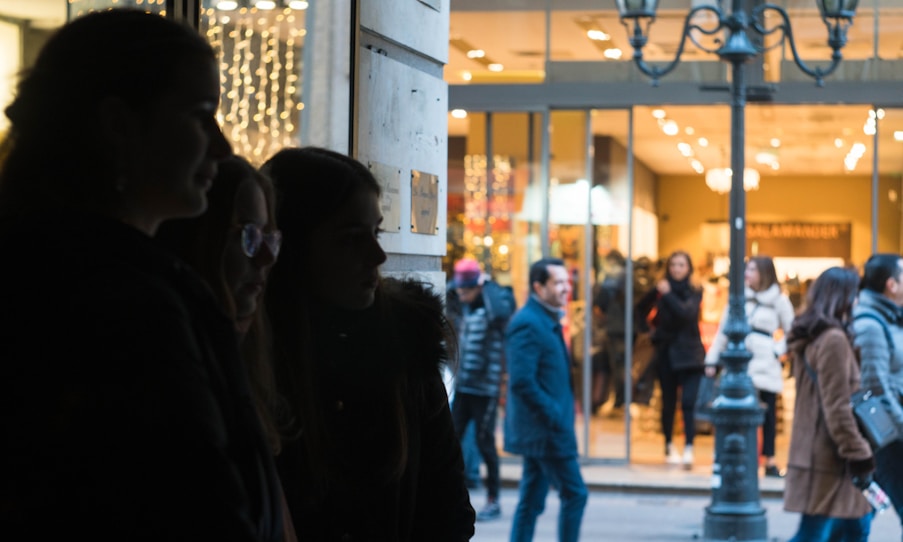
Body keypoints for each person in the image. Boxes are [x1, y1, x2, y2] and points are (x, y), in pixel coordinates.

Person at [0, 9, 283, 542]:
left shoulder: (89, 276)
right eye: (201, 115)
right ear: (119, 125)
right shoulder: (122, 304)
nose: (221, 148)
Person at [260, 147, 475, 541]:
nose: (376, 255)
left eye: (375, 232)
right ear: (292, 247)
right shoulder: (253, 358)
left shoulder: (408, 345)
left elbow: (447, 510)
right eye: (349, 238)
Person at [784, 267, 875, 541]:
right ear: (844, 297)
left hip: (820, 450)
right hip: (830, 455)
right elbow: (837, 405)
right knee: (819, 533)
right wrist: (858, 452)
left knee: (851, 527)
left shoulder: (816, 336)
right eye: (855, 294)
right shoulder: (833, 340)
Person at [504, 257, 588, 542]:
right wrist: (553, 414)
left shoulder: (546, 318)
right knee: (575, 494)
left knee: (531, 500)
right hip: (547, 430)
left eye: (567, 281)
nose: (566, 288)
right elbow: (522, 381)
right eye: (559, 282)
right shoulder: (528, 323)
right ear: (539, 288)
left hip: (546, 428)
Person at [705, 256, 795, 477]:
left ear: (764, 272)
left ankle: (770, 460)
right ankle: (742, 457)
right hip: (739, 361)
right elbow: (723, 332)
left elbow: (793, 331)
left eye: (753, 269)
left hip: (766, 363)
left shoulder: (779, 300)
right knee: (737, 412)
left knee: (768, 414)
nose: (747, 273)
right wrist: (712, 359)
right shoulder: (738, 298)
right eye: (747, 268)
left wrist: (777, 350)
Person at [445, 256, 516, 522]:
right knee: (451, 438)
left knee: (486, 444)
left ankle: (493, 500)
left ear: (478, 285)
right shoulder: (464, 307)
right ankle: (448, 494)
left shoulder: (492, 305)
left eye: (467, 289)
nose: (461, 294)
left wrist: (486, 285)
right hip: (464, 386)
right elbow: (450, 294)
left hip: (485, 389)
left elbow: (501, 311)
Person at [634, 250, 705, 469]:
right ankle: (668, 445)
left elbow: (687, 314)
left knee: (688, 403)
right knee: (668, 403)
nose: (676, 269)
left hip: (691, 355)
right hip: (666, 353)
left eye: (681, 265)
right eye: (673, 264)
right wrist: (648, 331)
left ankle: (689, 447)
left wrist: (667, 295)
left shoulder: (695, 290)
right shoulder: (659, 289)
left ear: (689, 268)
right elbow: (638, 310)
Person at [851, 253, 903, 529]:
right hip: (887, 437)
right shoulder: (871, 325)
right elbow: (876, 389)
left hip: (891, 433)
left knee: (859, 515)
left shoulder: (891, 318)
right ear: (891, 285)